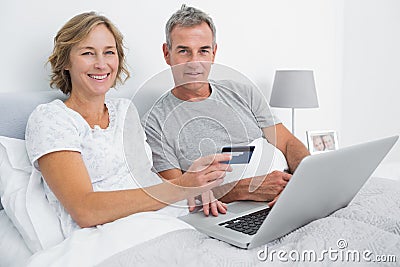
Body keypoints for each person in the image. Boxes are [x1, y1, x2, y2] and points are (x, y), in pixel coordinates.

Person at [25, 11, 232, 237]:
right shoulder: (51, 119)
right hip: (108, 236)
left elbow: (145, 180)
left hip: (162, 220)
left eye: (109, 53)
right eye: (88, 53)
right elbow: (85, 210)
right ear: (65, 61)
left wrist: (194, 188)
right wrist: (181, 187)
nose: (101, 64)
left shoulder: (125, 111)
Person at [142, 5, 310, 216]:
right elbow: (177, 195)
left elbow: (287, 143)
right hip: (230, 213)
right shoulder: (155, 122)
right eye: (184, 51)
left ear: (214, 53)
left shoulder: (243, 92)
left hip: (287, 196)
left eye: (203, 50)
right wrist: (246, 189)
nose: (194, 63)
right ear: (167, 54)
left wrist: (305, 182)